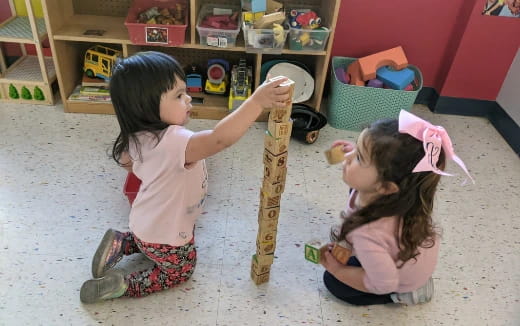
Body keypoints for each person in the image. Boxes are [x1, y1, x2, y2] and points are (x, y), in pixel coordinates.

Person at [79, 51, 290, 303]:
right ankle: (124, 285)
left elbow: (129, 164)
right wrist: (256, 102)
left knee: (149, 242)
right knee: (179, 271)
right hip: (167, 235)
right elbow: (219, 139)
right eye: (179, 95)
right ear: (146, 107)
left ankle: (122, 243)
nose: (188, 98)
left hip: (143, 223)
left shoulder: (135, 136)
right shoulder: (176, 143)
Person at [321, 110, 474, 306]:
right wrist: (355, 152)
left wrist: (337, 271)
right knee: (356, 186)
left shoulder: (368, 233)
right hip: (403, 257)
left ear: (385, 187)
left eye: (359, 157)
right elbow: (366, 175)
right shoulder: (400, 195)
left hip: (396, 279)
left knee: (333, 282)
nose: (348, 157)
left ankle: (408, 293)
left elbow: (383, 283)